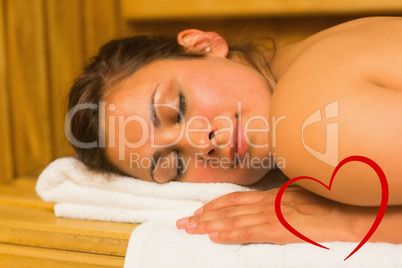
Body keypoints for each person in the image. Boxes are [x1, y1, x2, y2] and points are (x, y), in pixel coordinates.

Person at [67, 16, 402, 245]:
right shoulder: (333, 44)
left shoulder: (301, 126)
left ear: (202, 45)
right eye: (175, 165)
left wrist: (348, 222)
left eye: (178, 107)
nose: (201, 144)